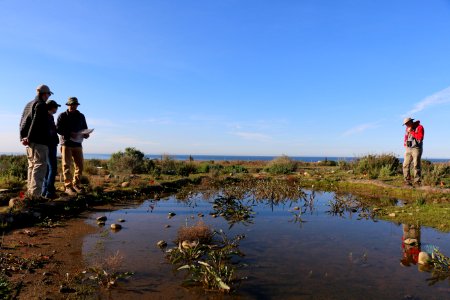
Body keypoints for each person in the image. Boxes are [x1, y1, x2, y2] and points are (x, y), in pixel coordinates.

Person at [19, 84, 53, 198]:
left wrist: (23, 137)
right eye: (49, 94)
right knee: (39, 167)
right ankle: (35, 196)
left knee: (31, 167)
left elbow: (22, 122)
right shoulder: (42, 105)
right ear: (44, 94)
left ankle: (30, 194)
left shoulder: (28, 104)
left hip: (29, 142)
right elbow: (35, 122)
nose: (48, 96)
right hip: (39, 141)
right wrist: (29, 137)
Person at [56, 97, 89, 195]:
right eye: (71, 105)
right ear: (68, 105)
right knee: (66, 165)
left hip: (78, 143)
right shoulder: (62, 116)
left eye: (75, 104)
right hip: (66, 143)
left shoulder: (81, 116)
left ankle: (76, 184)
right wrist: (70, 133)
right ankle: (68, 186)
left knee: (80, 165)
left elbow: (85, 128)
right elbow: (58, 129)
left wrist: (86, 134)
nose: (73, 106)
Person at [42, 100, 61, 199]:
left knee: (48, 168)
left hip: (50, 144)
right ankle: (49, 192)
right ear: (52, 107)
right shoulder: (46, 116)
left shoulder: (50, 117)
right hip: (49, 144)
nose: (57, 109)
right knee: (52, 168)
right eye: (56, 107)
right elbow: (49, 132)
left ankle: (44, 191)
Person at [402, 117, 424, 186]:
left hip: (416, 148)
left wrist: (411, 131)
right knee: (405, 164)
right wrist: (405, 143)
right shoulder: (407, 128)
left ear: (410, 122)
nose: (406, 125)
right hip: (408, 148)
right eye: (405, 124)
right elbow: (406, 136)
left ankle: (417, 181)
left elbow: (420, 137)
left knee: (416, 165)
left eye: (406, 123)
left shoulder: (420, 127)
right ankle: (407, 181)